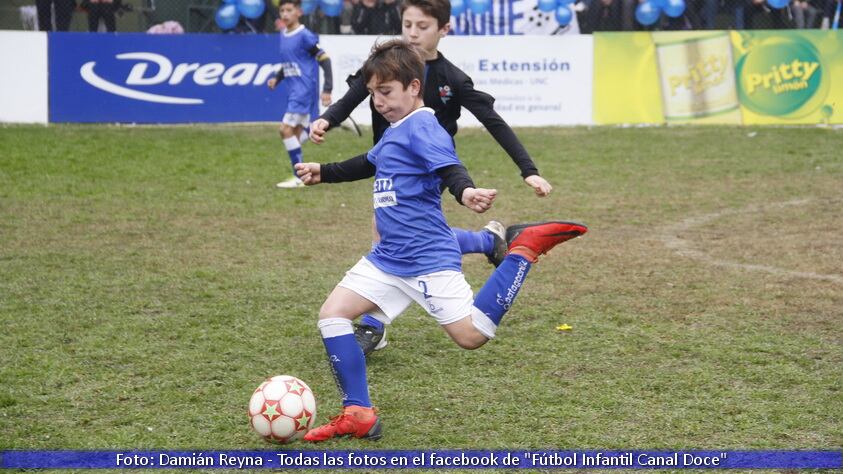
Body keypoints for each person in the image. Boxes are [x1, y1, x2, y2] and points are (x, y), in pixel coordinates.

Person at [294, 39, 587, 442]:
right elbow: (368, 162)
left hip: (428, 259)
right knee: (332, 315)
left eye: (386, 92)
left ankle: (523, 250)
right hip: (388, 259)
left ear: (414, 87)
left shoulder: (424, 125)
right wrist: (322, 171)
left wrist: (465, 191)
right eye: (373, 94)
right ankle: (358, 412)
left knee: (472, 336)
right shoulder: (397, 130)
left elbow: (449, 166)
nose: (378, 102)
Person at [309, 0, 554, 354]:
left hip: (435, 170)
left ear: (443, 30)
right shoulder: (388, 69)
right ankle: (489, 242)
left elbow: (492, 120)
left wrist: (527, 170)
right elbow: (354, 94)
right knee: (409, 240)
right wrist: (328, 119)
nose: (412, 33)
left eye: (422, 26)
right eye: (407, 24)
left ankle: (373, 324)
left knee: (396, 241)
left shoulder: (450, 77)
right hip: (388, 165)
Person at [267, 0, 334, 189]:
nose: (285, 14)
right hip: (294, 91)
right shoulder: (284, 34)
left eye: (289, 10)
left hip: (303, 91)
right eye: (282, 10)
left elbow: (325, 59)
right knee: (296, 135)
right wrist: (277, 78)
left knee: (285, 130)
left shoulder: (304, 35)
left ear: (299, 12)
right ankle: (328, 126)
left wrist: (327, 88)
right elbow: (289, 62)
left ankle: (298, 177)